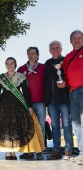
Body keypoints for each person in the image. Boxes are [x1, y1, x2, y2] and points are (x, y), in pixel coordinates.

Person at [0, 57, 45, 160]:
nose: (9, 65)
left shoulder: (20, 76)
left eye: (11, 63)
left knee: (16, 127)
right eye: (7, 63)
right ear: (5, 65)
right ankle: (8, 152)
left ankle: (14, 151)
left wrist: (29, 106)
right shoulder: (1, 77)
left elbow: (25, 91)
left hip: (18, 103)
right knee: (5, 128)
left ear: (15, 65)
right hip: (4, 104)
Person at [44, 41, 73, 160]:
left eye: (57, 48)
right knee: (55, 125)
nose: (55, 50)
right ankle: (56, 150)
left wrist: (65, 84)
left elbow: (71, 77)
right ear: (50, 50)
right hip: (51, 99)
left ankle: (68, 150)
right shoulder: (47, 63)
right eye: (52, 48)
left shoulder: (66, 60)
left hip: (64, 98)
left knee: (66, 124)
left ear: (61, 49)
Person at [18, 47, 46, 160]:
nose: (31, 55)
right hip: (26, 103)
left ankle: (40, 151)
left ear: (38, 55)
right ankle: (27, 151)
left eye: (33, 53)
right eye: (29, 53)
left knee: (41, 127)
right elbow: (14, 83)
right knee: (26, 127)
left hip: (40, 102)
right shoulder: (21, 69)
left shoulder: (44, 67)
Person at [60, 30, 83, 165]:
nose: (77, 40)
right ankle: (81, 153)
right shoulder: (67, 57)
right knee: (76, 124)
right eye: (74, 39)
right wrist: (64, 83)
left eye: (79, 38)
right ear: (70, 41)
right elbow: (67, 77)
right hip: (72, 93)